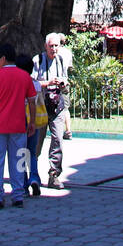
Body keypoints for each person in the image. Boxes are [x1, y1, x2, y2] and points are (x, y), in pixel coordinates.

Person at [0, 43, 36, 209]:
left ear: (3, 58)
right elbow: (32, 101)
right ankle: (18, 195)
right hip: (18, 126)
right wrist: (32, 122)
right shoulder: (24, 76)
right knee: (18, 160)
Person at [32, 32, 73, 188]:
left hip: (57, 106)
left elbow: (65, 78)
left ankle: (54, 175)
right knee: (36, 142)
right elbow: (32, 82)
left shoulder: (61, 60)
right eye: (51, 46)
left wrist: (63, 82)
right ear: (45, 46)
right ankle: (32, 174)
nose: (54, 49)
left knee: (57, 140)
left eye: (56, 46)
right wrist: (48, 82)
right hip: (41, 105)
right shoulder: (38, 60)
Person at [17, 58, 49, 196]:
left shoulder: (19, 84)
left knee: (20, 154)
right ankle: (35, 178)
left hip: (21, 121)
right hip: (34, 121)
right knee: (33, 153)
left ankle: (23, 185)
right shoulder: (36, 84)